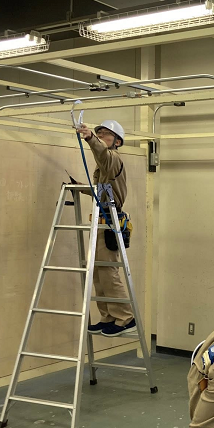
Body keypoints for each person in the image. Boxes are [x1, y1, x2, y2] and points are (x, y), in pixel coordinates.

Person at [76, 120, 136, 337]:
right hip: (100, 222)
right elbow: (101, 190)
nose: (101, 136)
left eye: (105, 134)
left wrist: (91, 138)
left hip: (110, 222)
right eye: (99, 133)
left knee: (109, 273)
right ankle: (108, 316)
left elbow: (101, 152)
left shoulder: (112, 159)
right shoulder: (103, 166)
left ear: (117, 142)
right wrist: (80, 188)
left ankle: (125, 317)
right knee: (98, 273)